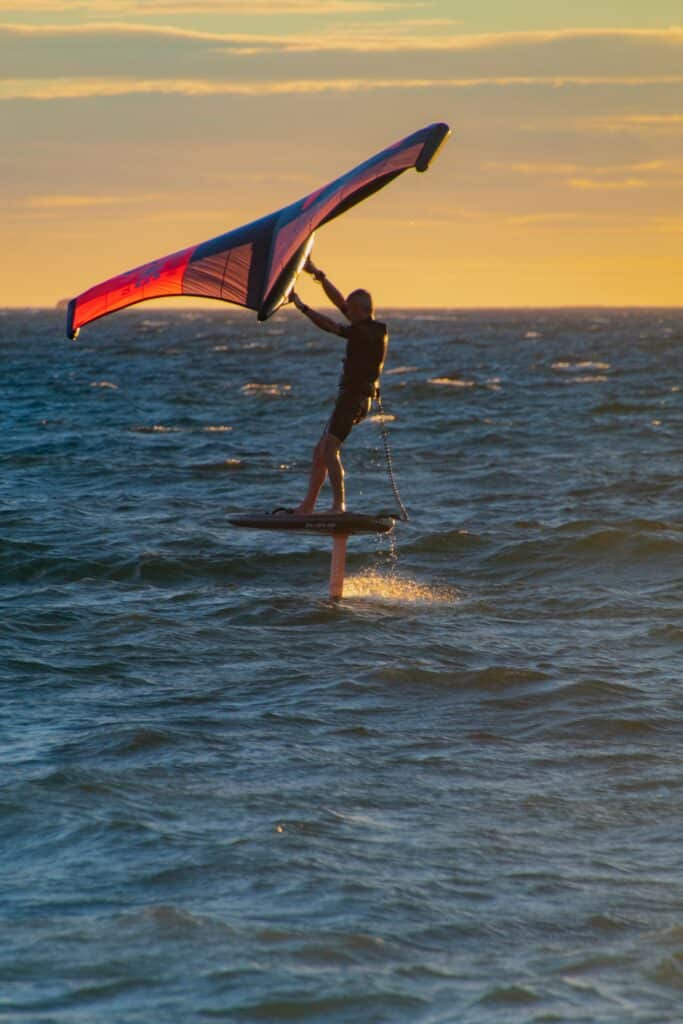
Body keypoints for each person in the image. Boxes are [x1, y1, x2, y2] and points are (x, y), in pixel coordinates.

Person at [289, 258, 388, 514]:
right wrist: (318, 275)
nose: (347, 311)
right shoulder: (366, 325)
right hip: (352, 399)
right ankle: (308, 507)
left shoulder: (365, 333)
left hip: (353, 400)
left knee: (330, 450)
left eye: (351, 310)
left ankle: (338, 506)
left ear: (362, 310)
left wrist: (301, 307)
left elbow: (331, 325)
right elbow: (340, 302)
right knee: (320, 451)